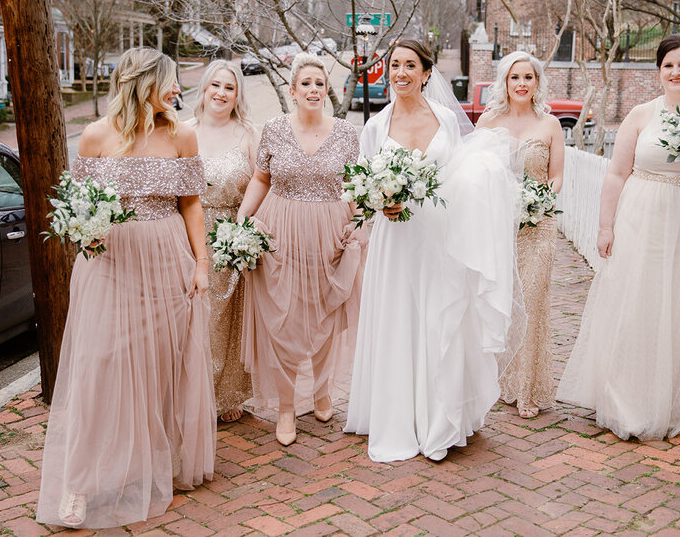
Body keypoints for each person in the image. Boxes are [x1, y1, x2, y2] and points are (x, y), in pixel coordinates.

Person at [37, 47, 215, 528]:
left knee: (160, 365)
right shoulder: (95, 136)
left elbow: (191, 205)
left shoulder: (182, 135)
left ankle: (156, 463)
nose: (178, 89)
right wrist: (83, 231)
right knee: (98, 367)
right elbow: (78, 205)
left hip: (165, 260)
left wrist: (201, 264)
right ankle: (77, 483)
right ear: (141, 82)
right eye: (171, 81)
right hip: (108, 264)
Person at [344, 39, 525, 463]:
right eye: (394, 65)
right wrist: (376, 202)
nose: (401, 72)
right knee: (397, 319)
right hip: (394, 239)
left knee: (437, 317)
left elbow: (464, 178)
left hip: (438, 238)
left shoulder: (446, 120)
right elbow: (358, 186)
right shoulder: (375, 127)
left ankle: (437, 417)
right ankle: (395, 415)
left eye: (410, 65)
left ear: (427, 73)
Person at [556, 34, 680, 441]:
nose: (675, 72)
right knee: (639, 302)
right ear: (659, 71)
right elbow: (616, 173)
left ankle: (675, 400)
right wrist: (605, 227)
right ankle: (629, 399)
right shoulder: (641, 114)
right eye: (668, 66)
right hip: (644, 218)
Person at [238, 53, 364, 447]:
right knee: (284, 319)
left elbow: (355, 185)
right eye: (305, 83)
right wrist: (243, 217)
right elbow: (261, 178)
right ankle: (288, 406)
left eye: (319, 83)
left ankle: (323, 391)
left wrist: (358, 227)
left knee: (326, 313)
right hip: (282, 232)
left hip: (330, 232)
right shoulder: (273, 129)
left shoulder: (346, 133)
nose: (313, 89)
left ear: (327, 90)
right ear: (292, 91)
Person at [477, 51, 564, 419]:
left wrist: (540, 201)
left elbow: (557, 176)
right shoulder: (487, 121)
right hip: (498, 227)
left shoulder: (550, 125)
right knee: (500, 301)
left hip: (538, 226)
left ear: (537, 82)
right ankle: (496, 382)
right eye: (516, 77)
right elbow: (476, 174)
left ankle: (527, 389)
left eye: (529, 77)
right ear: (505, 81)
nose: (522, 84)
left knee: (531, 302)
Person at [186, 60, 256, 423]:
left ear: (237, 94)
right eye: (215, 85)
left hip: (231, 232)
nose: (221, 93)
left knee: (227, 316)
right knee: (193, 315)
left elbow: (264, 186)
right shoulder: (182, 132)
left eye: (229, 88)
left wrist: (247, 230)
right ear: (204, 89)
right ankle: (189, 393)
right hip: (187, 233)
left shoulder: (247, 135)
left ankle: (226, 391)